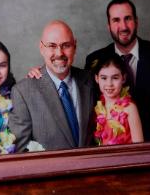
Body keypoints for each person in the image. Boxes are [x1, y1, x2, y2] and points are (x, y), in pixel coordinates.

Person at [84, 0, 150, 141]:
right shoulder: (95, 59)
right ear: (109, 25)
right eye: (116, 20)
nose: (123, 26)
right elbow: (81, 91)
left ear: (136, 21)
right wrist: (43, 72)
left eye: (128, 18)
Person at [8, 20, 95, 152]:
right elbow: (21, 151)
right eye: (52, 46)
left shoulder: (91, 80)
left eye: (66, 45)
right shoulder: (23, 92)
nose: (59, 53)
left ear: (75, 46)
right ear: (42, 48)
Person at [92, 53, 143, 145]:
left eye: (115, 78)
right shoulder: (98, 108)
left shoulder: (130, 108)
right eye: (104, 78)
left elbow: (139, 148)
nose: (109, 84)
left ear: (123, 78)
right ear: (97, 78)